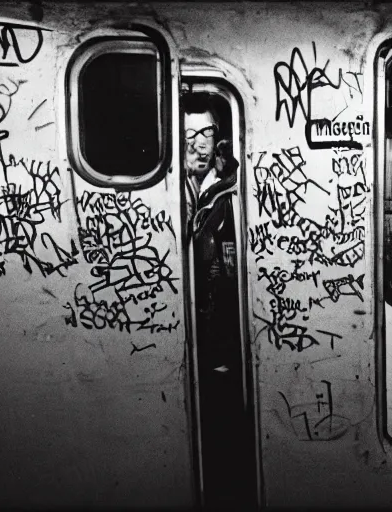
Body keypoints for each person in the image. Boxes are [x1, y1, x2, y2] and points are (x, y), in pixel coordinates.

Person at [181, 92, 253, 508]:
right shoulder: (180, 193)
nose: (198, 142)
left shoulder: (227, 193)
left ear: (219, 138)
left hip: (220, 334)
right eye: (189, 133)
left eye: (206, 131)